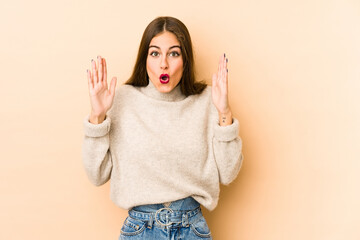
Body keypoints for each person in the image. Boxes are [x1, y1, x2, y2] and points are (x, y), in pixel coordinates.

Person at [82, 16, 243, 240]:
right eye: (155, 53)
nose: (163, 64)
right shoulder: (121, 100)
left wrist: (224, 113)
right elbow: (97, 175)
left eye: (174, 53)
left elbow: (228, 173)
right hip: (140, 230)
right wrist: (97, 116)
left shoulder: (208, 100)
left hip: (192, 229)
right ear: (145, 59)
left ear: (185, 60)